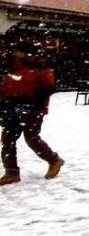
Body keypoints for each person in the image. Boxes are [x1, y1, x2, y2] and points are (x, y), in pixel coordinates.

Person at [0, 40, 62, 185]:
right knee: (7, 139)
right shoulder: (13, 68)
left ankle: (54, 160)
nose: (15, 53)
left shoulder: (40, 68)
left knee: (31, 137)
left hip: (33, 109)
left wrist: (32, 101)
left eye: (18, 51)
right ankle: (11, 172)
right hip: (12, 108)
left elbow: (49, 88)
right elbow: (5, 87)